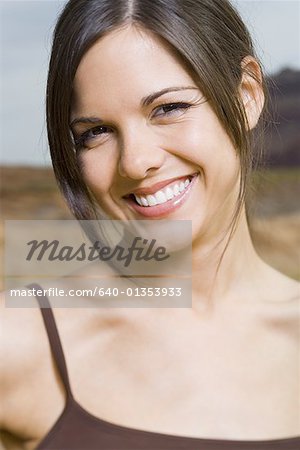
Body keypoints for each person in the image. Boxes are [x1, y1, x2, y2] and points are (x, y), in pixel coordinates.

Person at [1, 0, 299, 448]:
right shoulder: (23, 340)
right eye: (95, 132)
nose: (136, 162)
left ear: (247, 95)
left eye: (168, 108)